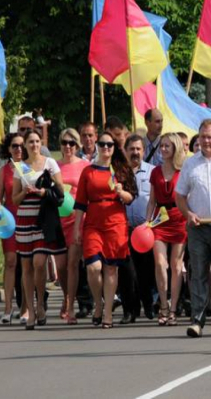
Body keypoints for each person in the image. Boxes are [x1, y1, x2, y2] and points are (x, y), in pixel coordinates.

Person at [73, 132, 137, 329]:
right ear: (97, 146)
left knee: (111, 268)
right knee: (93, 268)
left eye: (110, 145)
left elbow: (131, 197)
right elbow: (80, 202)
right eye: (102, 144)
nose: (106, 148)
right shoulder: (88, 171)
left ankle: (107, 311)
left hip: (115, 222)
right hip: (93, 222)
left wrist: (121, 192)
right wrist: (77, 227)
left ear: (114, 147)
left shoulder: (121, 169)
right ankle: (98, 303)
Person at [175, 120, 211, 338]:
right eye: (202, 137)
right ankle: (197, 320)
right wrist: (188, 213)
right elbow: (180, 195)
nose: (205, 141)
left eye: (209, 137)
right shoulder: (190, 164)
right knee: (197, 273)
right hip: (197, 227)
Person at [12, 130, 66, 330]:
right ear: (25, 145)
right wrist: (25, 191)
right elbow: (14, 199)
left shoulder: (50, 163)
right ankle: (32, 311)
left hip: (44, 218)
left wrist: (44, 190)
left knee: (40, 262)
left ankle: (41, 302)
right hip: (25, 218)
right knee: (26, 266)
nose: (34, 145)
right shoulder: (20, 167)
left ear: (40, 143)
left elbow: (60, 189)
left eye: (36, 141)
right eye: (30, 142)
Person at [146, 132, 188, 326]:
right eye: (161, 146)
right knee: (160, 264)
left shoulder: (183, 170)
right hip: (160, 220)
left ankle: (173, 310)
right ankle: (163, 305)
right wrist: (147, 222)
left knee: (177, 265)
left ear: (175, 148)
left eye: (167, 146)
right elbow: (152, 201)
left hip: (179, 218)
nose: (162, 149)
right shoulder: (155, 172)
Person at [57, 128, 89, 324]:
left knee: (72, 263)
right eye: (64, 143)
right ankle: (67, 295)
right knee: (60, 265)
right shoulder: (54, 166)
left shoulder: (85, 165)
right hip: (58, 221)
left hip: (78, 220)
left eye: (72, 143)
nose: (68, 147)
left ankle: (70, 308)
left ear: (77, 146)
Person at [0, 133, 26, 324]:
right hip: (10, 220)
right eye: (15, 146)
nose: (19, 149)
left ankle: (25, 308)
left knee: (26, 264)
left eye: (22, 146)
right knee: (11, 261)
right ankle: (8, 308)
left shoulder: (29, 167)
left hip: (28, 218)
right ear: (9, 149)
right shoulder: (4, 170)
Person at [122, 134, 155, 322]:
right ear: (126, 151)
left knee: (145, 271)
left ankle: (148, 305)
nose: (135, 152)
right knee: (128, 271)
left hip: (145, 230)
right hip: (124, 229)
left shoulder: (152, 172)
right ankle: (130, 310)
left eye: (138, 149)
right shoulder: (118, 173)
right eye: (131, 149)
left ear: (143, 151)